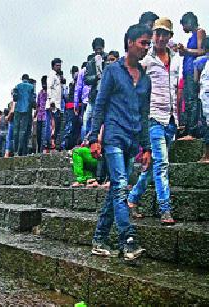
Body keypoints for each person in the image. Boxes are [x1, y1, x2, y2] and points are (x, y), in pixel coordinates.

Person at [89, 24, 152, 261]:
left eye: (148, 44)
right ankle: (128, 240)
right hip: (113, 137)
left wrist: (146, 147)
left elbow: (144, 115)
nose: (146, 48)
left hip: (132, 140)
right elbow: (101, 104)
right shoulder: (113, 71)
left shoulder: (145, 80)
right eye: (143, 43)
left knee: (115, 189)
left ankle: (99, 238)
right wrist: (94, 137)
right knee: (121, 186)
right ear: (129, 42)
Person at [128, 18, 180, 225]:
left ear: (170, 37)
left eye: (164, 34)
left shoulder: (176, 59)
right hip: (153, 118)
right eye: (157, 34)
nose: (160, 38)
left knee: (153, 166)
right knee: (162, 164)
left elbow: (177, 88)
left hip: (171, 118)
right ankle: (165, 209)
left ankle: (131, 200)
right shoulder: (146, 60)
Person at [178, 12, 206, 139]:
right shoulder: (192, 36)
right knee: (188, 101)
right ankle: (189, 128)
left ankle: (192, 131)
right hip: (187, 70)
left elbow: (202, 51)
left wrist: (187, 50)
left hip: (193, 70)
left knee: (192, 100)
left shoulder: (200, 32)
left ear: (189, 22)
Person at [84, 38, 108, 139]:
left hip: (106, 94)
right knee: (88, 120)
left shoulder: (108, 59)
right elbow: (86, 79)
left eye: (100, 48)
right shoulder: (90, 62)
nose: (98, 51)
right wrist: (96, 77)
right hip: (94, 95)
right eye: (96, 49)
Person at [13, 74, 34, 156]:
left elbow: (15, 98)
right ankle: (19, 150)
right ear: (28, 79)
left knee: (16, 130)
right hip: (27, 110)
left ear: (22, 79)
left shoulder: (17, 86)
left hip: (18, 109)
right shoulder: (31, 87)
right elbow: (32, 100)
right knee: (23, 131)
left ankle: (15, 151)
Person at [44, 58, 63, 152]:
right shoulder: (51, 75)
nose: (59, 67)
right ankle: (48, 144)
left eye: (60, 65)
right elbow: (49, 88)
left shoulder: (58, 76)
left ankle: (52, 144)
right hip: (52, 104)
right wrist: (51, 101)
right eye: (57, 65)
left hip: (57, 104)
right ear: (53, 66)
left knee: (56, 125)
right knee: (51, 125)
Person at [62, 66, 80, 150]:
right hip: (72, 107)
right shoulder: (73, 84)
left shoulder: (75, 83)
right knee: (70, 127)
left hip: (73, 107)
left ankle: (67, 145)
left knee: (72, 127)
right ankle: (66, 145)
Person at [74, 61, 91, 141]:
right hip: (91, 100)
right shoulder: (84, 71)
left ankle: (85, 141)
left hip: (86, 100)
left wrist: (76, 104)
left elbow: (78, 89)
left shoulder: (82, 72)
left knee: (85, 122)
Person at [35, 76, 47, 153]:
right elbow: (38, 105)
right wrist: (35, 114)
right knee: (38, 135)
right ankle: (39, 150)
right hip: (39, 116)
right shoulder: (40, 93)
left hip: (46, 116)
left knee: (44, 135)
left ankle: (42, 151)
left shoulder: (50, 93)